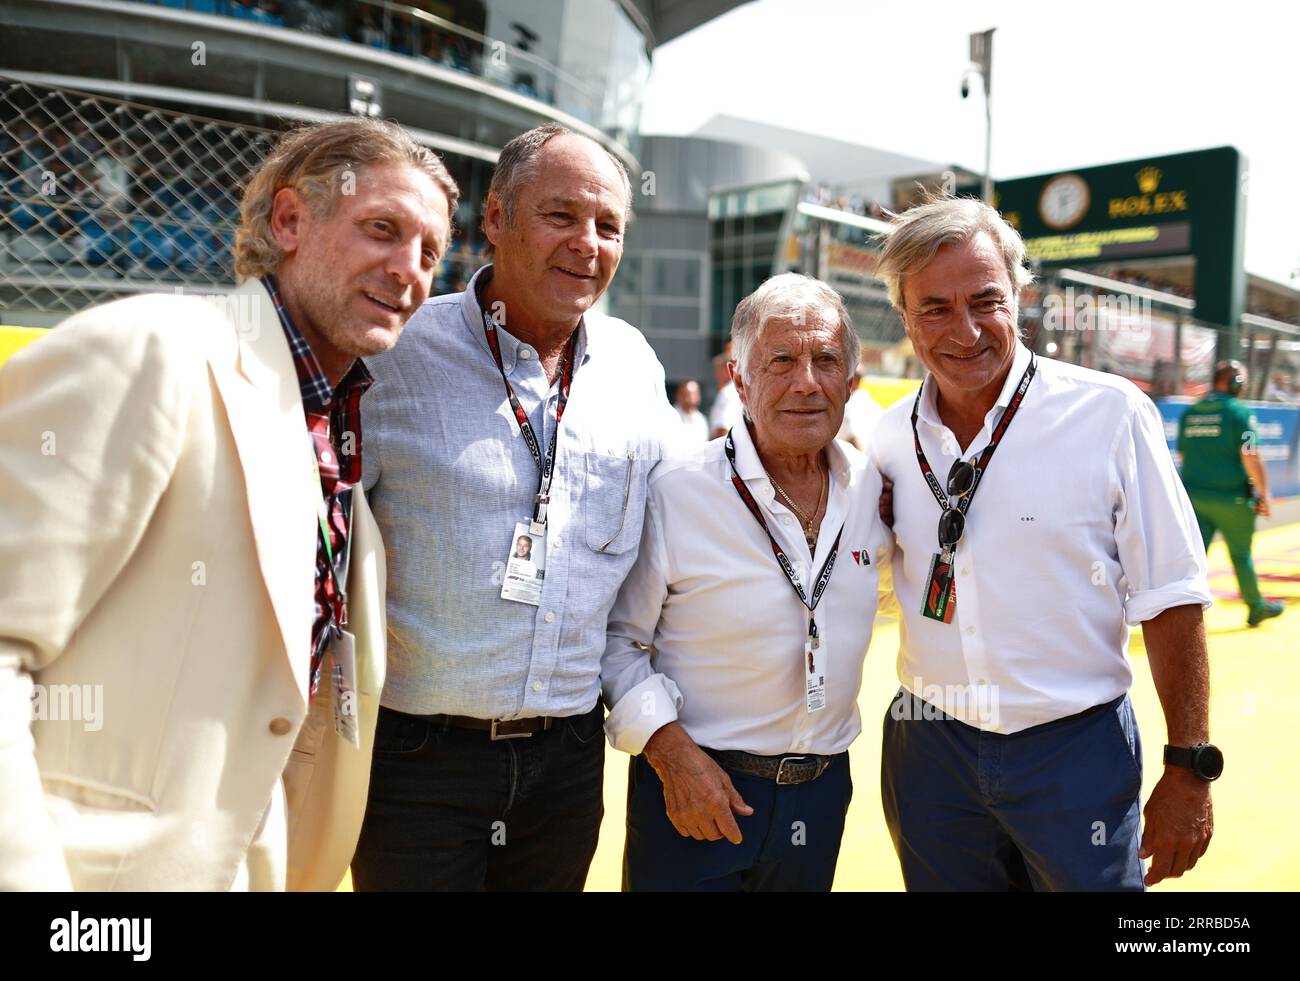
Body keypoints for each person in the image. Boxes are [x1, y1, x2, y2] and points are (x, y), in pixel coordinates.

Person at [0, 118, 457, 890]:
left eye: (430, 252)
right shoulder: (151, 350)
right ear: (288, 221)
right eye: (382, 230)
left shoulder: (337, 433)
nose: (408, 270)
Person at [352, 123, 677, 892]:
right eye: (560, 216)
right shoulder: (393, 354)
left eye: (608, 226)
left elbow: (680, 517)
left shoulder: (635, 365)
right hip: (415, 763)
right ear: (495, 218)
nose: (587, 244)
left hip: (567, 763)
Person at [869, 195, 1216, 891]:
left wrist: (1190, 766)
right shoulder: (888, 435)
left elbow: (1173, 593)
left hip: (1074, 748)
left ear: (1019, 296)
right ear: (904, 319)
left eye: (985, 300)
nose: (964, 330)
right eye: (934, 307)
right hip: (929, 749)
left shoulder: (1110, 414)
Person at [602, 273, 892, 891]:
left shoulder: (877, 492)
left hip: (821, 795)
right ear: (740, 380)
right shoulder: (676, 490)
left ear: (852, 383)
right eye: (781, 360)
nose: (806, 382)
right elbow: (617, 642)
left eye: (825, 361)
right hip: (696, 787)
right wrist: (673, 758)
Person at [1178, 360, 1284, 627]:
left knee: (1194, 557)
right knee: (1241, 554)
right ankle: (1255, 606)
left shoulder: (1190, 412)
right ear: (1235, 383)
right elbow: (1250, 454)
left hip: (1194, 498)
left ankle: (1181, 611)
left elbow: (1182, 453)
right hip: (1232, 499)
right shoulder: (1238, 412)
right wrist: (1264, 492)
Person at [836, 359, 885, 451]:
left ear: (852, 380)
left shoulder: (849, 406)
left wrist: (864, 463)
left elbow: (853, 437)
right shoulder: (873, 405)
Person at [709, 341, 743, 437]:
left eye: (718, 369)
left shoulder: (728, 393)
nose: (716, 374)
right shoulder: (744, 389)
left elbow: (722, 430)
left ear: (729, 368)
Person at [672, 379, 710, 445]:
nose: (691, 397)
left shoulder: (701, 419)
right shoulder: (671, 416)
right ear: (678, 395)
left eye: (694, 394)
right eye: (687, 394)